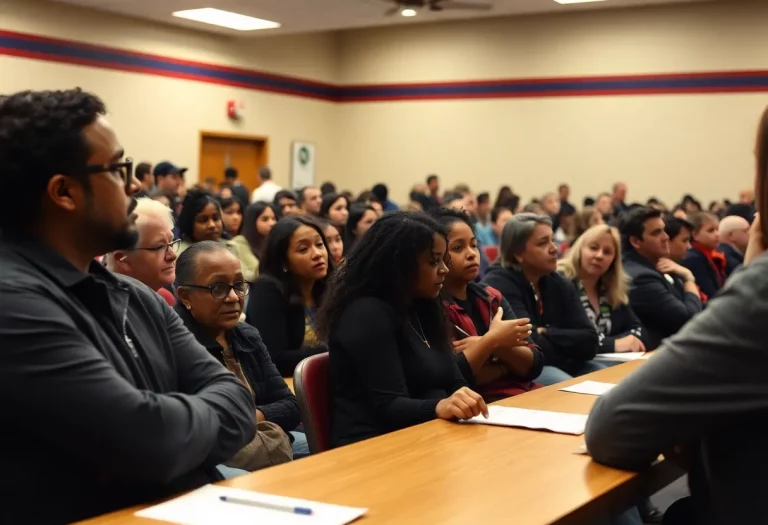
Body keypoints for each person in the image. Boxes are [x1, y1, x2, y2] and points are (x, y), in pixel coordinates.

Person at [0, 88, 256, 524]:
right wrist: (166, 430)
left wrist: (169, 428)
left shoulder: (133, 294)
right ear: (64, 192)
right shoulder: (13, 304)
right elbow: (146, 440)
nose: (136, 185)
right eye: (119, 169)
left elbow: (237, 400)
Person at [585, 105, 768, 525]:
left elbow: (611, 429)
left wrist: (752, 273)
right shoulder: (644, 277)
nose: (669, 241)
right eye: (660, 234)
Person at [317, 212, 488, 448]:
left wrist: (463, 397)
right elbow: (389, 406)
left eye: (443, 260)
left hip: (427, 436)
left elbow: (454, 379)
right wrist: (440, 406)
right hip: (372, 446)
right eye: (433, 261)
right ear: (399, 265)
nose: (444, 270)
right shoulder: (365, 314)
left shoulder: (424, 305)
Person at [175, 242, 308, 459]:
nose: (234, 297)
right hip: (214, 456)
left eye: (238, 285)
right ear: (185, 296)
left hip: (266, 437)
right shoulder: (177, 345)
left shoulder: (246, 335)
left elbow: (292, 406)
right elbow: (201, 428)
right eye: (217, 288)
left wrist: (248, 417)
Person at [433, 209, 544, 401]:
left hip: (525, 393)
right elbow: (458, 377)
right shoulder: (434, 305)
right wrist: (498, 346)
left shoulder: (491, 296)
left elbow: (534, 363)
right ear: (437, 255)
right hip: (481, 406)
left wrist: (488, 345)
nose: (471, 254)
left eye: (474, 245)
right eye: (458, 248)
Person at [482, 214, 599, 384]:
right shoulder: (498, 284)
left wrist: (546, 332)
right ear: (518, 254)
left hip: (568, 363)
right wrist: (565, 342)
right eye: (543, 243)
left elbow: (590, 340)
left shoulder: (557, 281)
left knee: (615, 379)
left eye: (552, 240)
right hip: (525, 373)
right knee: (571, 387)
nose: (554, 248)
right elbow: (531, 348)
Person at [245, 216, 332, 376]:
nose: (317, 254)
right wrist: (332, 351)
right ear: (283, 261)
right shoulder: (267, 291)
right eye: (303, 249)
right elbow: (275, 359)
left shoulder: (329, 287)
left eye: (319, 244)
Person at [619, 207, 702, 349]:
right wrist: (689, 279)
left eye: (663, 230)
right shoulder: (641, 278)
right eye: (657, 233)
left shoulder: (657, 265)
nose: (666, 237)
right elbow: (689, 321)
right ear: (635, 241)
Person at [558, 225, 648, 353]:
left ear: (613, 261)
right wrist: (613, 344)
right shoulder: (560, 282)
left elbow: (639, 330)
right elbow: (566, 338)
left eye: (607, 252)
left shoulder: (610, 289)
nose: (599, 256)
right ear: (580, 249)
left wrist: (621, 342)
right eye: (593, 248)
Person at [106, 197, 179, 304]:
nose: (172, 256)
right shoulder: (106, 309)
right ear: (122, 259)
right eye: (159, 247)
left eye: (171, 243)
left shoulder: (165, 298)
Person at [683, 212, 727, 302]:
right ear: (694, 235)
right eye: (710, 230)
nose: (717, 234)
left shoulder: (711, 254)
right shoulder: (694, 259)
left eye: (717, 229)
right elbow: (710, 293)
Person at [230, 202, 277, 281]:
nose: (272, 223)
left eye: (273, 219)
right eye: (265, 219)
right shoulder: (238, 243)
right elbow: (252, 275)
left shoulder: (272, 242)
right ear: (252, 222)